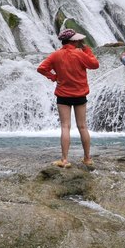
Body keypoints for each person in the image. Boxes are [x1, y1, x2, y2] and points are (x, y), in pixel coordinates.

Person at [37, 28, 100, 167]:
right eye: (78, 39)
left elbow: (41, 68)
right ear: (73, 41)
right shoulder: (80, 54)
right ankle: (87, 158)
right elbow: (95, 65)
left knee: (65, 126)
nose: (80, 41)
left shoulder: (55, 55)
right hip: (80, 94)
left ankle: (64, 160)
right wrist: (87, 50)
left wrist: (53, 77)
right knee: (82, 126)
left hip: (63, 94)